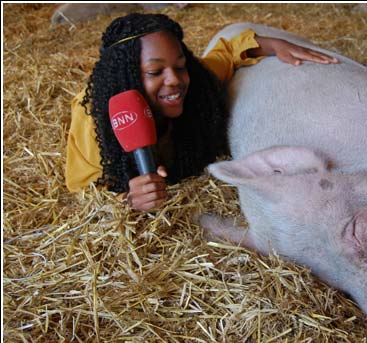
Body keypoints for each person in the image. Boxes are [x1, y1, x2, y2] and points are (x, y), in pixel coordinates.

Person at [66, 13, 338, 211]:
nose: (174, 79)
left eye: (180, 66)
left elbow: (230, 51)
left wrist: (274, 45)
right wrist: (127, 200)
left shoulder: (196, 84)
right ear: (125, 77)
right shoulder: (94, 121)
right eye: (155, 71)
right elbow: (84, 192)